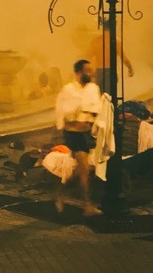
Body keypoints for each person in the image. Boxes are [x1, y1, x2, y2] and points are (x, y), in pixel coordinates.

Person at [54, 58, 101, 215]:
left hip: (87, 133)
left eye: (91, 70)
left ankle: (61, 192)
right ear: (78, 72)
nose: (91, 73)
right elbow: (63, 111)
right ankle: (86, 205)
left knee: (84, 170)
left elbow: (96, 109)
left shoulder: (93, 88)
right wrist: (80, 110)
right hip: (73, 134)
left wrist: (87, 111)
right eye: (87, 70)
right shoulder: (68, 90)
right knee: (84, 167)